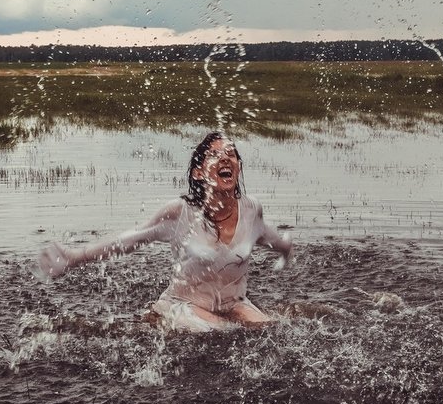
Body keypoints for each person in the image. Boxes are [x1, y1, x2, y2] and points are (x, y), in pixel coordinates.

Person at [35, 132, 293, 332]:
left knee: (272, 329)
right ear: (199, 172)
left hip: (233, 304)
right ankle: (158, 321)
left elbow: (269, 238)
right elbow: (129, 240)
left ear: (238, 166)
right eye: (215, 154)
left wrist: (285, 249)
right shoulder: (180, 213)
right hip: (185, 307)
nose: (226, 158)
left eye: (231, 153)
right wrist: (73, 258)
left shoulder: (251, 210)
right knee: (222, 333)